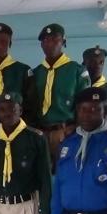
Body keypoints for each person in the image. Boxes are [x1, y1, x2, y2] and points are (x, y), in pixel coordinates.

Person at [31, 23, 91, 162]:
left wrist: (75, 128)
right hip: (39, 132)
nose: (49, 44)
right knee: (41, 176)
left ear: (63, 42)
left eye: (54, 39)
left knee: (67, 174)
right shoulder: (35, 73)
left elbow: (85, 105)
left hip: (65, 131)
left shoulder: (76, 71)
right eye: (45, 40)